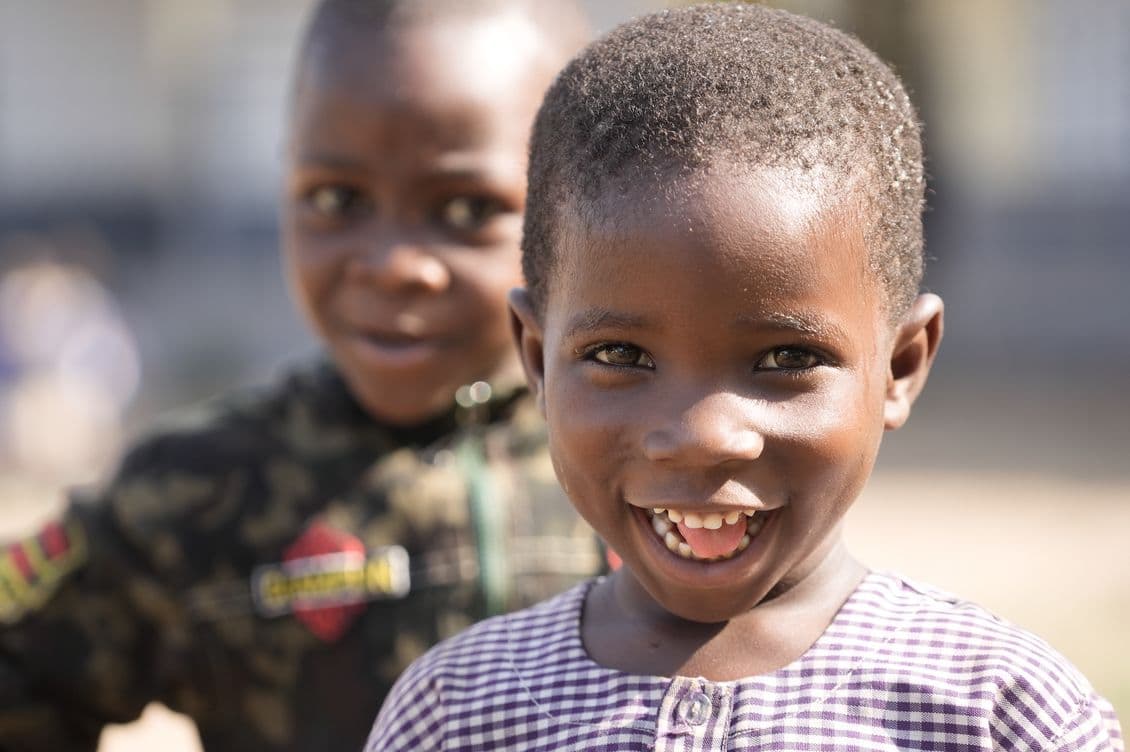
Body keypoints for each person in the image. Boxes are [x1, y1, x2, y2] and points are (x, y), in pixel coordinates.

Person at [365, 4, 1126, 750]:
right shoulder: (457, 710)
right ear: (535, 357)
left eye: (787, 359)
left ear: (900, 365)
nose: (702, 438)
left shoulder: (1001, 713)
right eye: (621, 356)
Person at [0, 1, 603, 750]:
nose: (391, 265)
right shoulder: (201, 489)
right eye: (336, 199)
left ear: (573, 205)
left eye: (463, 207)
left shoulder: (640, 453)